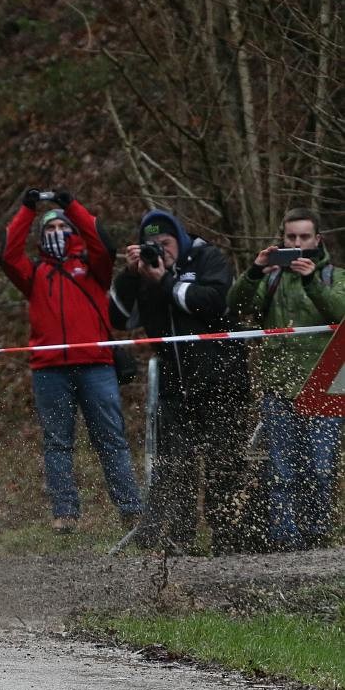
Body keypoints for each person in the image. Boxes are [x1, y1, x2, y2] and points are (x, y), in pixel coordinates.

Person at [0, 189, 143, 533]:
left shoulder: (95, 269)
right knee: (58, 442)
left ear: (73, 232)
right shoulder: (33, 275)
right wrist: (28, 210)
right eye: (48, 231)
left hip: (96, 365)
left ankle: (131, 509)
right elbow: (7, 254)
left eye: (61, 228)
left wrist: (70, 206)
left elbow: (103, 243)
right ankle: (65, 513)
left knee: (110, 438)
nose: (55, 235)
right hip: (49, 370)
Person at [112, 208, 248, 553]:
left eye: (165, 242)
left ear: (180, 239)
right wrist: (130, 276)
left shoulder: (207, 257)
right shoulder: (144, 272)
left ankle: (228, 538)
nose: (160, 249)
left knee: (223, 464)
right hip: (175, 386)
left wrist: (168, 281)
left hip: (222, 380)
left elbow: (214, 302)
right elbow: (118, 318)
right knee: (176, 467)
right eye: (151, 244)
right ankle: (179, 541)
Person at [228, 207, 345, 550]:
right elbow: (235, 307)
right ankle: (284, 541)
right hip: (278, 385)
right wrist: (254, 270)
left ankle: (316, 538)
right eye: (291, 237)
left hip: (325, 384)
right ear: (283, 239)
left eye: (304, 237)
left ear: (317, 239)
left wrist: (311, 280)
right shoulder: (272, 277)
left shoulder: (333, 276)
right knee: (280, 470)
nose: (297, 243)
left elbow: (340, 312)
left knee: (320, 470)